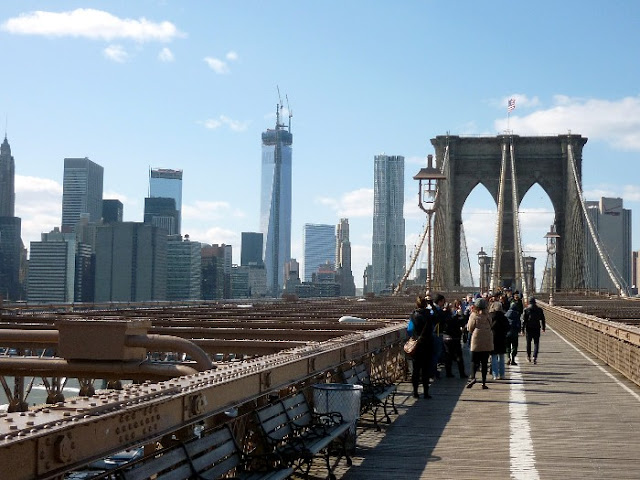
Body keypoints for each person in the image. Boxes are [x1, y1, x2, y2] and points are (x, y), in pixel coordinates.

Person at [409, 295, 434, 398]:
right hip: (427, 344)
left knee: (415, 369)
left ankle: (415, 392)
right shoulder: (429, 315)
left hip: (416, 345)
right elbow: (432, 328)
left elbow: (410, 329)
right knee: (425, 369)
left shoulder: (413, 315)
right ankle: (426, 393)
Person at [466, 297, 493, 389]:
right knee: (484, 362)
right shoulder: (488, 315)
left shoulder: (473, 315)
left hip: (476, 340)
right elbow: (491, 324)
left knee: (474, 361)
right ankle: (484, 382)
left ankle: (473, 377)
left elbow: (470, 328)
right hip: (487, 340)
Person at [442, 299, 467, 378]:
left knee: (448, 356)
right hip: (455, 338)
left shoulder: (443, 317)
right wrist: (461, 315)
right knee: (459, 356)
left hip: (446, 338)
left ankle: (448, 373)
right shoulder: (456, 317)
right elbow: (463, 323)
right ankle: (462, 373)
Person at [521, 297, 546, 364]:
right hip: (537, 327)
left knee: (528, 343)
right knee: (536, 343)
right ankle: (534, 357)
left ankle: (528, 356)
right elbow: (543, 319)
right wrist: (543, 328)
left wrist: (522, 329)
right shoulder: (539, 309)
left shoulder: (526, 310)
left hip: (529, 328)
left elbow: (524, 321)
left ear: (529, 302)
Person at [489, 301, 509, 379]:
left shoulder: (490, 316)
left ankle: (495, 375)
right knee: (501, 356)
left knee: (493, 356)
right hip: (501, 338)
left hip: (492, 337)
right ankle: (502, 374)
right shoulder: (503, 317)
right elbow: (507, 327)